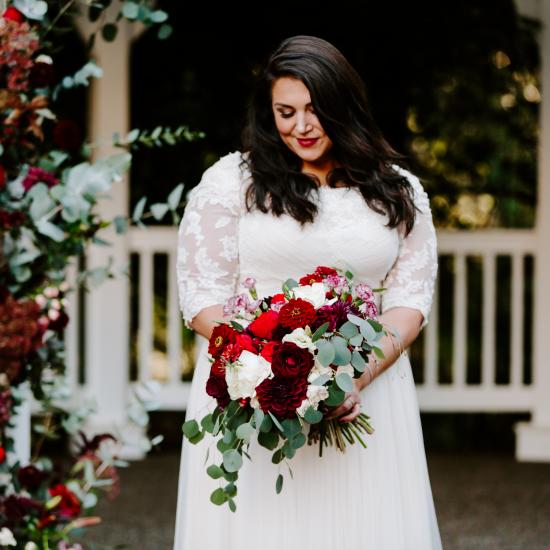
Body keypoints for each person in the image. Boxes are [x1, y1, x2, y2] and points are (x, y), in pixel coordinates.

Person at [173, 35, 442, 550]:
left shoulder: (397, 190)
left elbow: (411, 300)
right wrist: (263, 363)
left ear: (344, 105)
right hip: (251, 392)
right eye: (286, 111)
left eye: (315, 110)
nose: (301, 126)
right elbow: (200, 298)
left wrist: (354, 375)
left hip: (371, 391)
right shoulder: (232, 183)